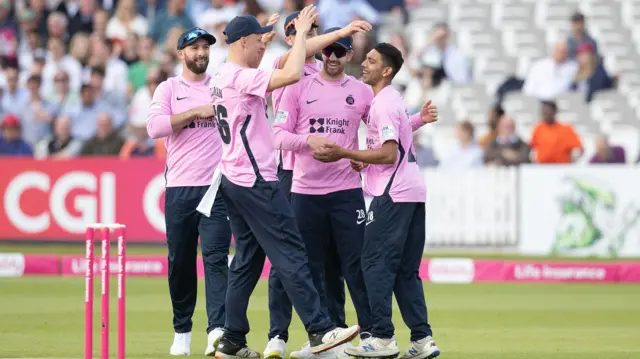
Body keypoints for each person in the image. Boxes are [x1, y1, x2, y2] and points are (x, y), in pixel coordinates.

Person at [203, 7, 360, 359]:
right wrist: (301, 32)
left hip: (233, 177)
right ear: (244, 42)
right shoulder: (240, 77)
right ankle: (319, 331)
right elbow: (291, 72)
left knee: (246, 261)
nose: (264, 46)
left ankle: (231, 340)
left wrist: (333, 34)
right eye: (258, 41)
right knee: (292, 253)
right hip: (256, 180)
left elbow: (289, 57)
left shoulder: (222, 74)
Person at [313, 43, 441, 359]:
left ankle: (382, 338)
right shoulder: (391, 100)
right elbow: (395, 139)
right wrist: (419, 121)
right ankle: (422, 340)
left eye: (371, 61)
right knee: (405, 271)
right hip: (412, 191)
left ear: (386, 70)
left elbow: (388, 152)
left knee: (373, 264)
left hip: (392, 194)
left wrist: (346, 152)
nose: (364, 63)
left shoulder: (383, 103)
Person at [265, 14, 373, 359]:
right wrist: (309, 143)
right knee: (293, 263)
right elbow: (280, 134)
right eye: (324, 47)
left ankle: (344, 333)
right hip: (292, 176)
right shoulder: (288, 67)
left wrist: (356, 155)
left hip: (336, 183)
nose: (330, 54)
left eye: (338, 50)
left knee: (338, 265)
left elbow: (369, 125)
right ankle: (278, 335)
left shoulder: (347, 83)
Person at [146, 27, 232, 357]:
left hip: (216, 188)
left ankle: (217, 331)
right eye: (194, 48)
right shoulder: (169, 88)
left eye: (205, 48)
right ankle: (182, 331)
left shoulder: (220, 86)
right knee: (180, 262)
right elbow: (154, 128)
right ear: (181, 54)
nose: (201, 53)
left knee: (215, 260)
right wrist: (197, 111)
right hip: (180, 188)